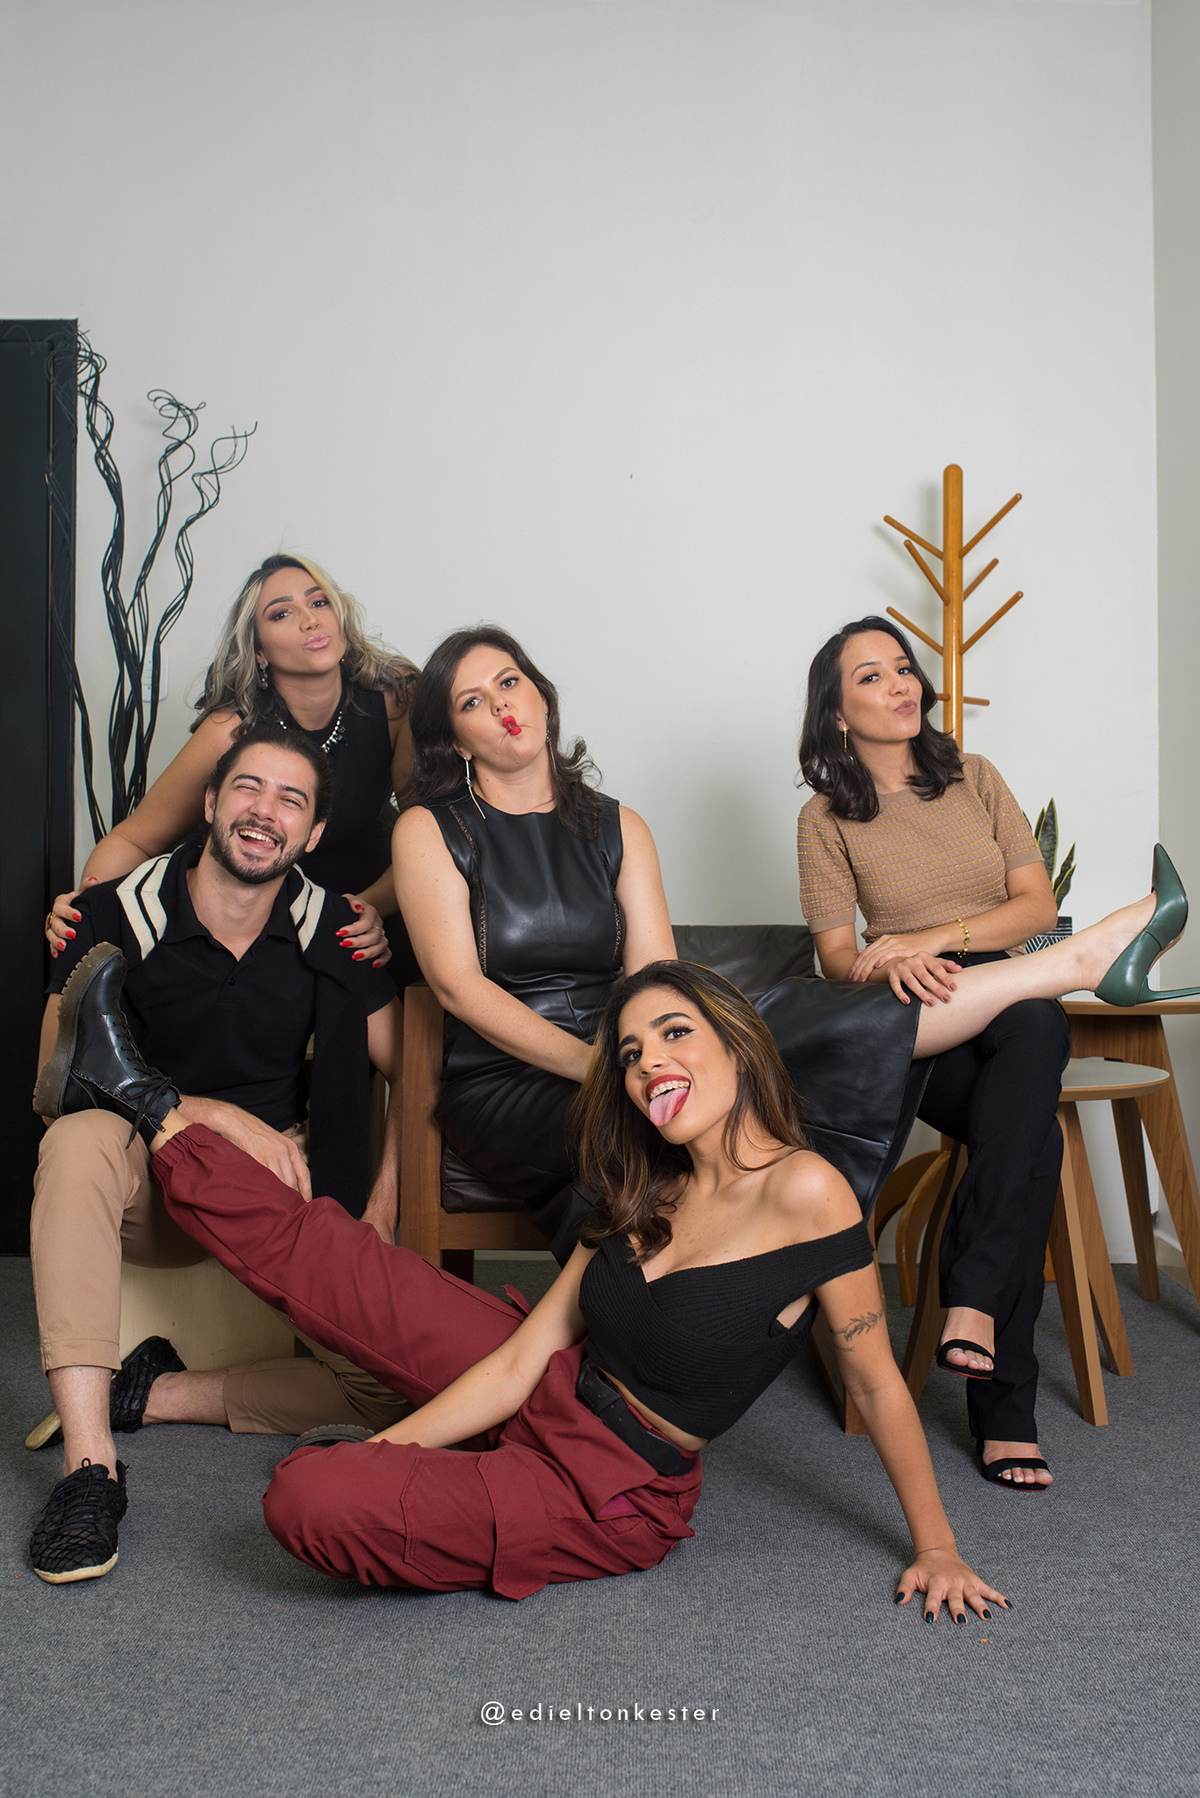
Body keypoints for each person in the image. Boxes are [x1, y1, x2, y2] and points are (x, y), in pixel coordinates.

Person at [30, 871, 1179, 1598]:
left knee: (304, 1499)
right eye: (630, 1052)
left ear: (731, 1044)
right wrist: (402, 1448)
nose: (648, 1064)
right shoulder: (644, 1177)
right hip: (551, 1382)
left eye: (674, 1034)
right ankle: (145, 1100)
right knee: (343, 1266)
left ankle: (1078, 962)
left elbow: (877, 1384)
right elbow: (525, 1358)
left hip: (608, 1486)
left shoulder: (810, 1193)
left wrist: (935, 1544)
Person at [391, 626, 929, 1261]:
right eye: (473, 701)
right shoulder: (427, 829)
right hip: (504, 1079)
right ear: (456, 740)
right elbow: (458, 986)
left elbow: (655, 981)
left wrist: (656, 1060)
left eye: (509, 682)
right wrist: (600, 1070)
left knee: (770, 1097)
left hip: (625, 1052)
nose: (501, 704)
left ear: (541, 695)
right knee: (632, 1127)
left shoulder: (620, 825)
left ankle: (766, 1289)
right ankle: (647, 1306)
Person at [25, 724, 413, 1585]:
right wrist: (208, 1114)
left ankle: (148, 1394)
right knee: (79, 1139)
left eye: (291, 800)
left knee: (394, 1389)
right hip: (144, 1186)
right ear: (209, 802)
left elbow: (416, 1073)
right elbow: (56, 1075)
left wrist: (383, 1206)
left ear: (313, 832)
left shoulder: (334, 929)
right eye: (247, 788)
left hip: (266, 1204)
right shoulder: (111, 913)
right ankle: (89, 1469)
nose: (264, 812)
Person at [797, 615, 1071, 1488]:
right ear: (835, 712)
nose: (899, 685)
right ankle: (1000, 1393)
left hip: (1004, 990)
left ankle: (973, 1309)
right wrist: (900, 960)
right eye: (871, 676)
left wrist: (934, 934)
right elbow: (837, 957)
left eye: (903, 668)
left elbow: (1034, 908)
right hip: (919, 1016)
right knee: (1034, 1126)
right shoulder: (825, 818)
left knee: (1033, 1039)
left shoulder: (976, 778)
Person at [45, 553, 419, 984]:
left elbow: (428, 832)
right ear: (259, 651)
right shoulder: (229, 729)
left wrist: (366, 907)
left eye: (319, 603)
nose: (310, 620)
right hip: (255, 910)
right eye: (281, 613)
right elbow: (134, 838)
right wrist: (87, 906)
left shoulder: (396, 698)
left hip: (371, 896)